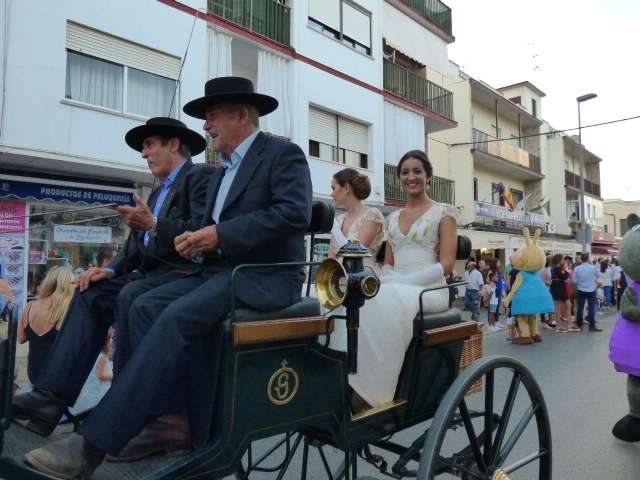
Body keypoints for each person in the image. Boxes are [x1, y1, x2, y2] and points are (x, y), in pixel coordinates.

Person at [20, 76, 313, 478]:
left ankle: (93, 444)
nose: (206, 126)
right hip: (218, 271)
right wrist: (194, 240)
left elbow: (294, 213)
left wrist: (218, 235)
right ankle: (163, 421)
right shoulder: (221, 172)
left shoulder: (281, 154)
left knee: (174, 316)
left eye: (212, 116)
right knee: (141, 303)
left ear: (241, 115)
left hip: (264, 276)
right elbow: (202, 229)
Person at [13, 119, 212, 446]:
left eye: (149, 145)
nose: (143, 154)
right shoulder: (157, 191)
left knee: (131, 297)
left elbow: (201, 232)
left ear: (174, 144)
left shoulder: (200, 177)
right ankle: (50, 398)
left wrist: (154, 223)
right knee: (89, 291)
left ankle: (129, 412)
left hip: (181, 276)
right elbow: (134, 247)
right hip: (148, 277)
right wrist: (109, 271)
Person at [329, 149, 457, 409]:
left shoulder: (444, 213)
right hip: (396, 284)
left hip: (430, 289)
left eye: (417, 171)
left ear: (428, 176)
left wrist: (401, 283)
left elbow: (446, 264)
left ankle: (373, 393)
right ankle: (347, 373)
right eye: (405, 172)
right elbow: (388, 261)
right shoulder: (393, 217)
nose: (411, 177)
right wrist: (388, 277)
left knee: (384, 299)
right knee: (351, 300)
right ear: (400, 179)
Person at [17, 266, 75, 384]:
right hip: (56, 376)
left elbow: (21, 338)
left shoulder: (30, 306)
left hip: (33, 372)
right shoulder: (66, 310)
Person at [328, 168, 385, 269]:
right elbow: (331, 258)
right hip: (339, 277)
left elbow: (356, 253)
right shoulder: (339, 219)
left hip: (365, 276)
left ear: (346, 188)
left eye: (333, 188)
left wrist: (335, 229)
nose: (331, 194)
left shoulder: (372, 214)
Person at [572, 253, 602, 332]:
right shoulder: (593, 267)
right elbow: (599, 276)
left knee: (580, 308)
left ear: (581, 259)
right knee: (591, 308)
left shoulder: (577, 268)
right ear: (588, 259)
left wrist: (580, 282)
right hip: (591, 290)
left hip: (581, 290)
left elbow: (574, 281)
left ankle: (579, 325)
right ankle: (592, 326)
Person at [549, 254, 571, 333]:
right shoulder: (556, 268)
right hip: (559, 287)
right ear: (559, 260)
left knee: (561, 305)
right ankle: (559, 325)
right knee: (559, 306)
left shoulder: (554, 267)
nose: (563, 261)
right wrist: (567, 271)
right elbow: (563, 277)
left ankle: (561, 324)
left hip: (557, 287)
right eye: (562, 259)